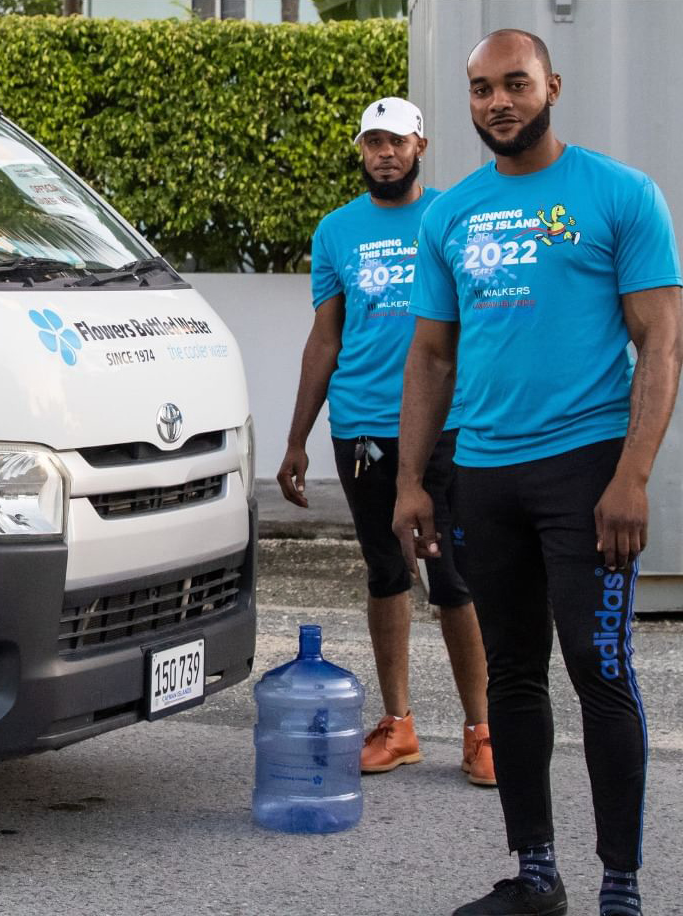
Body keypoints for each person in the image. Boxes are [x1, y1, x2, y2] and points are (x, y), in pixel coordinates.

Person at [394, 29, 682, 916]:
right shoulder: (451, 213)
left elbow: (662, 339)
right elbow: (432, 358)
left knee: (600, 668)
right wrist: (412, 481)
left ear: (552, 85)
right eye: (481, 90)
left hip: (586, 473)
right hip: (484, 474)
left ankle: (621, 885)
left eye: (514, 84)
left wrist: (632, 478)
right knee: (513, 673)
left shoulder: (621, 195)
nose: (497, 103)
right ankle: (536, 875)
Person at [277, 97, 495, 786]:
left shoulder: (453, 217)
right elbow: (325, 338)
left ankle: (482, 732)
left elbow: (484, 322)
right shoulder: (337, 231)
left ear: (421, 145)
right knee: (385, 573)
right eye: (373, 142)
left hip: (447, 427)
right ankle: (399, 725)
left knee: (454, 579)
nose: (385, 153)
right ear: (361, 150)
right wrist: (296, 440)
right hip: (362, 428)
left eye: (396, 141)